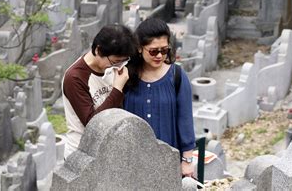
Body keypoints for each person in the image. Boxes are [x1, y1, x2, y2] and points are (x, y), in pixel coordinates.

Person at [124, 18, 195, 177]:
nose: (159, 55)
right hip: (132, 163)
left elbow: (185, 119)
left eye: (164, 50)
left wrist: (187, 161)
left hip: (167, 162)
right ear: (140, 48)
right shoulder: (126, 75)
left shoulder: (177, 76)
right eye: (153, 51)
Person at [62, 24, 136, 158]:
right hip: (82, 153)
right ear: (98, 50)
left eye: (123, 61)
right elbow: (93, 123)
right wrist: (117, 89)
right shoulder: (74, 77)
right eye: (115, 61)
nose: (119, 66)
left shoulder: (114, 68)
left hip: (109, 150)